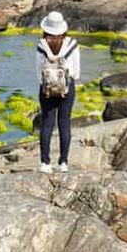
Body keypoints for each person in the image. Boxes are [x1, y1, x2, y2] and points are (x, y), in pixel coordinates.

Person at [36, 11, 80, 173]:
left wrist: (46, 84)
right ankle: (63, 162)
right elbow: (76, 71)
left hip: (47, 89)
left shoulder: (42, 45)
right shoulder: (72, 44)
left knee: (47, 125)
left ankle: (45, 163)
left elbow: (38, 70)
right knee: (64, 124)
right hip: (66, 88)